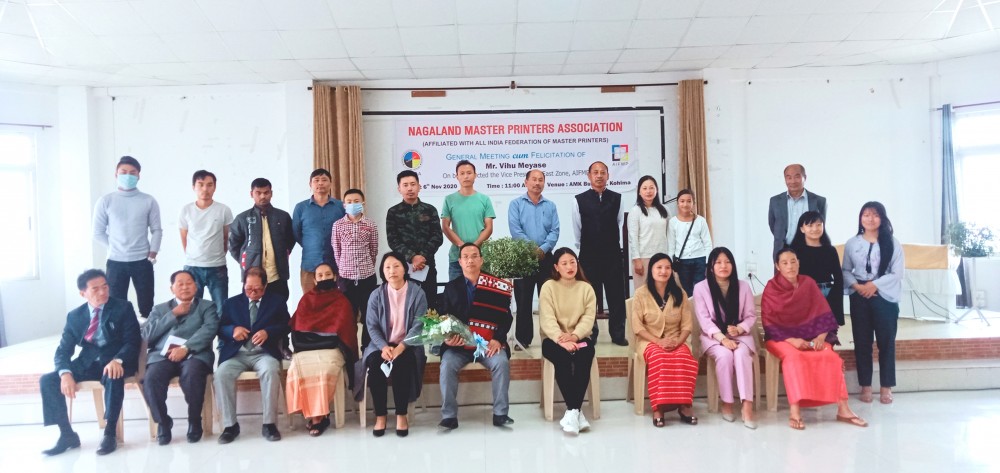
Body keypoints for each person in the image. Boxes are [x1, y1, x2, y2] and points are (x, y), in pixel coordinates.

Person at [39, 269, 141, 456]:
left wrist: (117, 359)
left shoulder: (123, 307)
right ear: (83, 293)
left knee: (113, 374)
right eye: (95, 289)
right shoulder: (75, 316)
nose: (102, 292)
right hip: (87, 362)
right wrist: (65, 373)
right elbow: (63, 350)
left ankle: (110, 433)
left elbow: (132, 341)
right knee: (48, 380)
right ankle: (66, 434)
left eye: (105, 286)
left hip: (117, 360)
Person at [763, 248, 867, 430]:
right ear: (777, 266)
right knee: (794, 359)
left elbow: (823, 313)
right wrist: (792, 340)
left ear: (799, 263)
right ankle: (795, 410)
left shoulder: (808, 283)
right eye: (785, 263)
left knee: (831, 357)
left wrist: (820, 336)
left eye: (793, 261)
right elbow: (770, 324)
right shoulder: (772, 288)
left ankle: (843, 409)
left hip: (813, 335)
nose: (790, 266)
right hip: (781, 338)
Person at [437, 243, 514, 430]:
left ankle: (500, 414)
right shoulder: (451, 288)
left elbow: (506, 317)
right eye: (465, 257)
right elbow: (443, 318)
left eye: (474, 256)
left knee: (501, 363)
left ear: (481, 260)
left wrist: (498, 338)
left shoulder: (494, 285)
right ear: (460, 261)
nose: (470, 260)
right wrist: (448, 338)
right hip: (459, 346)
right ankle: (449, 416)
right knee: (446, 365)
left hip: (488, 344)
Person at [141, 270, 219, 445]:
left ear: (196, 286)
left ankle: (194, 421)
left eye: (189, 283)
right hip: (162, 356)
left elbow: (209, 330)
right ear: (172, 288)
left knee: (192, 374)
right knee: (151, 378)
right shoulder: (159, 309)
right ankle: (163, 422)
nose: (185, 287)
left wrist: (186, 348)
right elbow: (147, 335)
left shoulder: (207, 306)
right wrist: (173, 314)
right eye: (180, 284)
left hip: (195, 354)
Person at [214, 267, 290, 444]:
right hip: (237, 354)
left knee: (270, 371)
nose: (253, 293)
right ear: (243, 285)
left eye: (257, 289)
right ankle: (230, 426)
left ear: (265, 286)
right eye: (248, 289)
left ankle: (269, 424)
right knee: (221, 374)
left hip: (263, 353)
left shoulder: (276, 302)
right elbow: (220, 327)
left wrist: (268, 332)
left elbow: (286, 325)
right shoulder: (231, 304)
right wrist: (232, 330)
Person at [285, 263, 358, 437]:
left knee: (324, 370)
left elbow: (347, 330)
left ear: (335, 276)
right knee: (295, 369)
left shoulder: (341, 300)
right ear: (314, 279)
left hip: (333, 349)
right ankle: (313, 413)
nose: (324, 278)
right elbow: (298, 325)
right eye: (320, 275)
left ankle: (319, 417)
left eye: (327, 274)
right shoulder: (306, 299)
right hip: (306, 349)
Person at [842, 201, 904, 405]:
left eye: (875, 215)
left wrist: (874, 285)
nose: (870, 218)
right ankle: (865, 385)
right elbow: (845, 270)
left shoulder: (892, 243)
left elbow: (897, 273)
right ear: (860, 218)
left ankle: (886, 387)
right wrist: (858, 287)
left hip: (884, 296)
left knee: (886, 342)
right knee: (862, 342)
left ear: (883, 218)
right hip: (859, 295)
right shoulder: (852, 243)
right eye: (866, 215)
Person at [363, 252, 428, 438]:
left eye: (396, 266)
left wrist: (401, 347)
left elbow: (419, 325)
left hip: (408, 345)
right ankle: (381, 416)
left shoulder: (417, 293)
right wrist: (383, 347)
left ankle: (401, 415)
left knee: (403, 364)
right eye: (387, 267)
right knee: (375, 366)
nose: (392, 271)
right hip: (381, 345)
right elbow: (372, 326)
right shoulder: (376, 295)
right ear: (382, 272)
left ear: (405, 268)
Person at [692, 247, 757, 429]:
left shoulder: (743, 286)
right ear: (711, 267)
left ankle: (747, 405)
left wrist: (739, 328)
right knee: (725, 355)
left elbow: (750, 316)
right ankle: (727, 403)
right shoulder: (700, 288)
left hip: (740, 336)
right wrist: (723, 339)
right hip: (713, 337)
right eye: (718, 262)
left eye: (727, 262)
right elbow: (704, 320)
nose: (723, 266)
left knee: (741, 355)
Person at [631, 254, 698, 427]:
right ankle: (658, 407)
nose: (663, 271)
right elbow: (637, 327)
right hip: (649, 341)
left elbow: (687, 326)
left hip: (677, 339)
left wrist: (678, 342)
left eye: (667, 267)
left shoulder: (680, 293)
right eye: (659, 267)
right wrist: (658, 342)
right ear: (651, 270)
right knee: (659, 357)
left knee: (684, 356)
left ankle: (684, 405)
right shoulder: (641, 294)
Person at [93, 156, 162, 318]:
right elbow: (97, 232)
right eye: (123, 172)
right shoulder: (106, 201)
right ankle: (121, 339)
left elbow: (157, 230)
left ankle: (148, 340)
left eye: (132, 173)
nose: (128, 176)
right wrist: (114, 247)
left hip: (142, 261)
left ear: (138, 176)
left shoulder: (148, 200)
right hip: (116, 262)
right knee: (116, 305)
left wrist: (153, 252)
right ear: (116, 174)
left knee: (147, 305)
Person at [538, 247, 596, 435]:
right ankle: (576, 412)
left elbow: (589, 318)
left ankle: (572, 412)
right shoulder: (548, 287)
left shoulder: (586, 288)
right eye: (564, 263)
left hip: (579, 338)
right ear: (556, 267)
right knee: (562, 359)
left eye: (572, 262)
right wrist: (560, 339)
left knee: (585, 356)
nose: (569, 266)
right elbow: (547, 318)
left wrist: (575, 336)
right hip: (553, 340)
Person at [572, 161, 627, 346]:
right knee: (590, 297)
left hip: (612, 255)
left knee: (616, 296)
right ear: (589, 176)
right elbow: (577, 229)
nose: (599, 175)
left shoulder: (617, 198)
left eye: (603, 172)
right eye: (595, 172)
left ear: (608, 175)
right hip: (589, 256)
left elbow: (619, 223)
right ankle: (590, 333)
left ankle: (618, 334)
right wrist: (585, 248)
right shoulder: (578, 199)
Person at [508, 169, 560, 348]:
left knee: (548, 300)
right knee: (523, 301)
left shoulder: (551, 206)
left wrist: (543, 249)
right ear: (526, 182)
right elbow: (516, 231)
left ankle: (550, 337)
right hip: (523, 258)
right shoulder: (516, 204)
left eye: (541, 180)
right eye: (534, 180)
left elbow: (555, 231)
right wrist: (532, 249)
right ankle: (523, 340)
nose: (537, 183)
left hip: (546, 258)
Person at [229, 178, 296, 302]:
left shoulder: (283, 216)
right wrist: (245, 258)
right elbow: (233, 245)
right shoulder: (242, 218)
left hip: (277, 275)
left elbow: (290, 239)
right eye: (258, 193)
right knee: (252, 312)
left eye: (266, 192)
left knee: (279, 310)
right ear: (251, 194)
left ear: (271, 193)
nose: (263, 196)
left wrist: (282, 253)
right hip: (252, 277)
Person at [386, 170, 444, 310]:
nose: (409, 188)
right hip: (404, 269)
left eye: (413, 184)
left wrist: (422, 257)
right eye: (405, 185)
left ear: (419, 186)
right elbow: (392, 240)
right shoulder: (393, 212)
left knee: (430, 307)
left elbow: (437, 236)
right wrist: (412, 257)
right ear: (399, 188)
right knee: (406, 308)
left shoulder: (430, 210)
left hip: (427, 266)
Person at [178, 170, 233, 315]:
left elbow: (226, 238)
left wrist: (217, 255)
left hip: (217, 267)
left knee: (221, 308)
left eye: (209, 185)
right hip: (192, 267)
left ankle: (223, 339)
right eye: (200, 185)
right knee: (192, 310)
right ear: (193, 187)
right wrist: (193, 255)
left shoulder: (224, 210)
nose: (205, 189)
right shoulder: (186, 210)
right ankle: (195, 339)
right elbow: (184, 237)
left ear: (215, 187)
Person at [332, 188, 379, 349]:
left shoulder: (370, 224)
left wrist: (366, 267)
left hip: (367, 276)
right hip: (346, 278)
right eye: (349, 202)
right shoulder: (338, 225)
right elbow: (336, 250)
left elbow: (374, 250)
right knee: (348, 316)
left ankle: (367, 346)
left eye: (356, 201)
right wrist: (344, 268)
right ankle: (348, 347)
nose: (353, 205)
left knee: (369, 315)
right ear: (344, 205)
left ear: (363, 203)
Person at [292, 169, 345, 294]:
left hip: (336, 264)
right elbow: (296, 233)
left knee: (336, 303)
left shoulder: (340, 206)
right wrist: (312, 244)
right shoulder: (301, 208)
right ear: (310, 184)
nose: (320, 183)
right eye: (316, 180)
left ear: (330, 184)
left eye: (324, 180)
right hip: (310, 263)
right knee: (310, 303)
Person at [441, 160, 495, 281]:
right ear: (457, 176)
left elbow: (489, 227)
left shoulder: (484, 199)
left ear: (475, 175)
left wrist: (474, 247)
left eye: (469, 173)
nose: (466, 176)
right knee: (456, 297)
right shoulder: (449, 199)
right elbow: (445, 226)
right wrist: (462, 245)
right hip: (457, 257)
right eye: (462, 173)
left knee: (482, 296)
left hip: (481, 257)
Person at [791, 211, 844, 325]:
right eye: (810, 225)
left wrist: (834, 297)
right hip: (804, 294)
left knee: (827, 332)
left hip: (827, 293)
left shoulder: (830, 250)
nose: (815, 228)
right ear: (802, 229)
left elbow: (839, 277)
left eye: (819, 224)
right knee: (807, 330)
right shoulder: (794, 251)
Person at [768, 164, 827, 261]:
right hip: (783, 249)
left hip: (810, 250)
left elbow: (820, 226)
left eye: (797, 176)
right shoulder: (775, 201)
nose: (793, 181)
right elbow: (772, 224)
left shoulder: (819, 201)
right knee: (784, 276)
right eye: (789, 177)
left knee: (810, 276)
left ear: (805, 177)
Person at [627, 175, 669, 291]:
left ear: (657, 190)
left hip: (662, 257)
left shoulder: (664, 210)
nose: (648, 191)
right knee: (643, 293)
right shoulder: (635, 211)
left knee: (662, 292)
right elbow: (632, 237)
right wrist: (637, 260)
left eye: (651, 188)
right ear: (639, 192)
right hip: (643, 258)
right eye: (644, 188)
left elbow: (669, 234)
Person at [667, 189, 712, 296]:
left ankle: (699, 312)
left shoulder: (700, 220)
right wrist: (670, 263)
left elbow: (707, 243)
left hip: (700, 260)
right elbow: (671, 244)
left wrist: (707, 262)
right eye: (682, 201)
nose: (685, 204)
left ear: (693, 203)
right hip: (682, 262)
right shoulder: (673, 222)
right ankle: (689, 312)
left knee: (700, 290)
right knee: (686, 292)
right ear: (678, 203)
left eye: (689, 201)